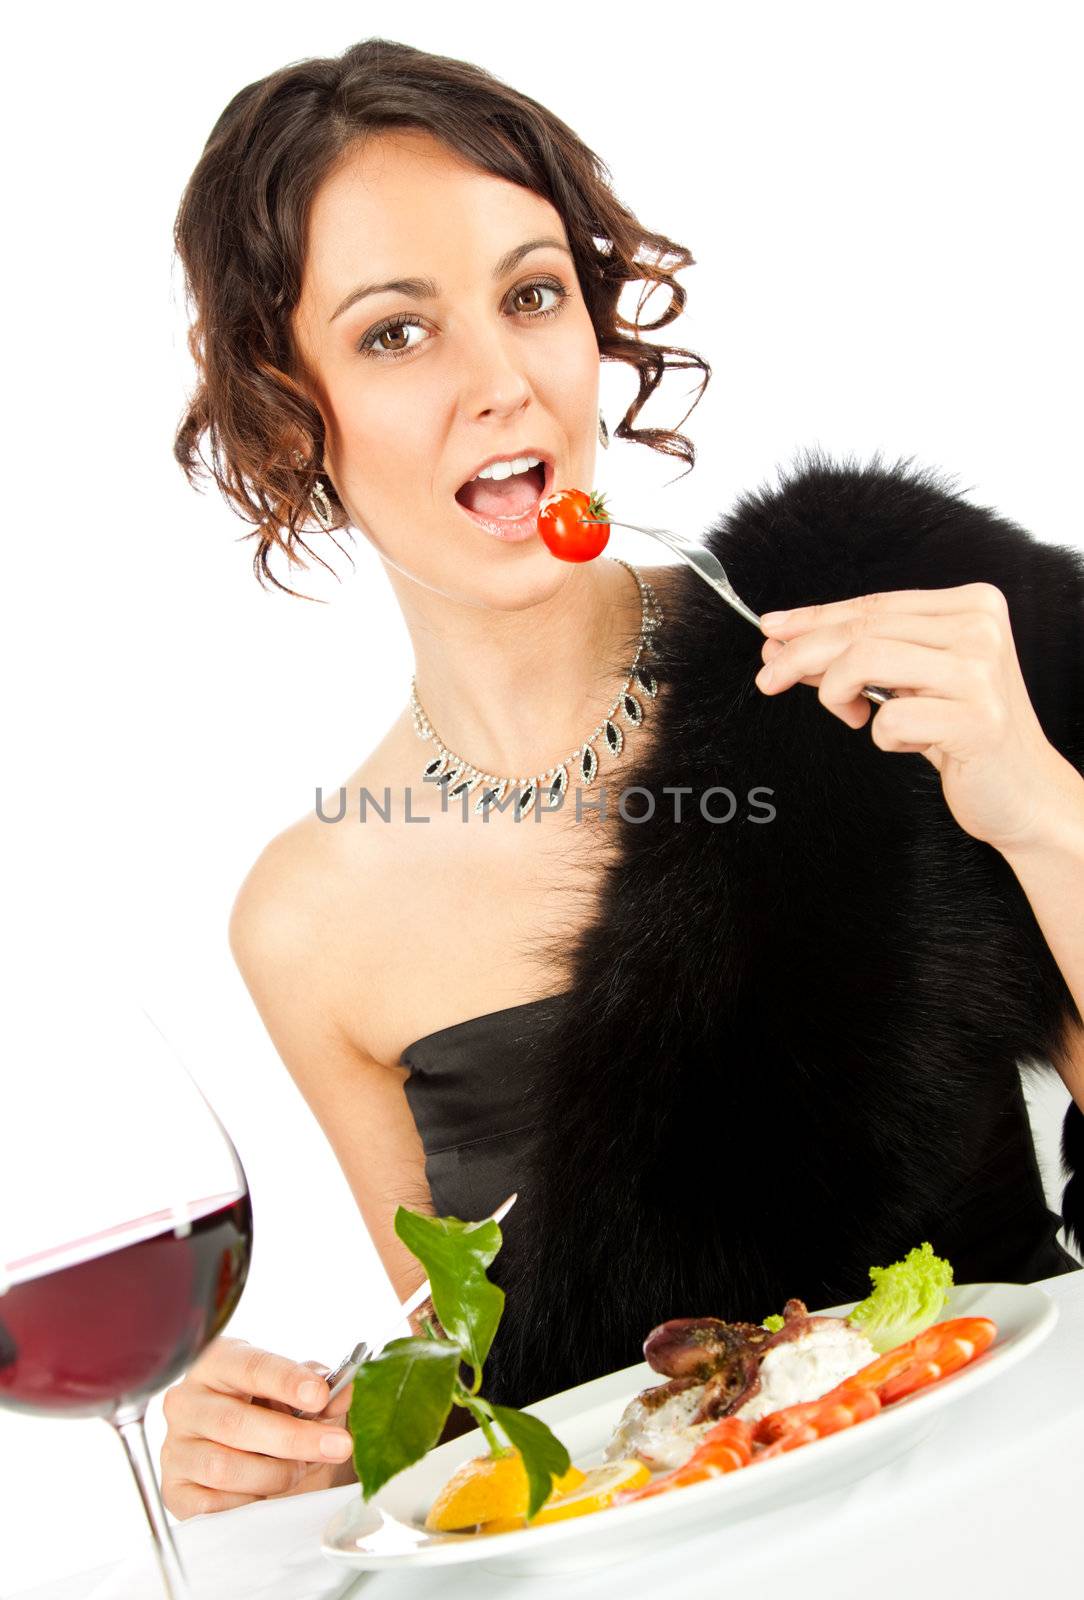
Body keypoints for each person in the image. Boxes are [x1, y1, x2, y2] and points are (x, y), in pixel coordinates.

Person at [159, 38, 1084, 1519]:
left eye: (534, 297)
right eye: (396, 334)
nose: (503, 380)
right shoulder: (309, 920)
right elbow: (505, 1423)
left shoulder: (898, 634)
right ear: (288, 409)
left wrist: (1041, 806)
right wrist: (285, 1442)